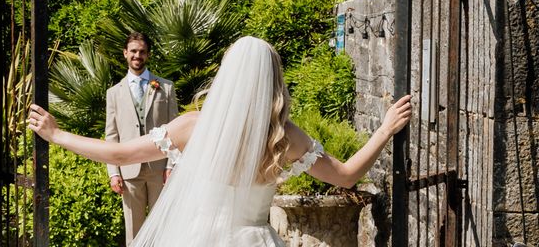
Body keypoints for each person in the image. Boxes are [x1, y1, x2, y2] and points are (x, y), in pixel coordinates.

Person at [29, 36, 411, 246]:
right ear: (274, 79)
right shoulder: (283, 135)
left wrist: (56, 133)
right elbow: (345, 176)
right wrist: (385, 128)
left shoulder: (195, 126)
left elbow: (118, 152)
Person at [105, 32, 178, 246]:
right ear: (125, 53)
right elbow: (112, 136)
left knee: (162, 226)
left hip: (159, 170)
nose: (138, 55)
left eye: (142, 52)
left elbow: (174, 131)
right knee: (134, 231)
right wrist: (113, 172)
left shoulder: (166, 87)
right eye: (134, 51)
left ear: (148, 55)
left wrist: (171, 165)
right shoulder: (114, 93)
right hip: (129, 170)